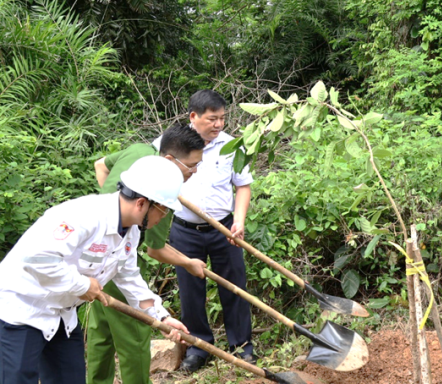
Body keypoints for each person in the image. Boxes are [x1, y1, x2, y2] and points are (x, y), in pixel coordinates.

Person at [0, 156, 190, 384]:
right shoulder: (84, 216)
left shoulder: (131, 232)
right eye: (163, 210)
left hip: (62, 314)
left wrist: (161, 317)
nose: (164, 218)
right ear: (141, 203)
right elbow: (37, 259)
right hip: (21, 310)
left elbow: (129, 278)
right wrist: (82, 285)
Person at [86, 123, 207, 384]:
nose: (195, 172)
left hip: (106, 267)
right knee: (135, 336)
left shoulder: (137, 152)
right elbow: (156, 249)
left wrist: (162, 316)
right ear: (169, 161)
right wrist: (188, 263)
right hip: (32, 311)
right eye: (192, 166)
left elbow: (100, 165)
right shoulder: (155, 196)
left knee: (102, 333)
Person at [154, 89, 254, 372]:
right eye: (212, 119)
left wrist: (239, 220)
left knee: (234, 287)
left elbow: (243, 186)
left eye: (222, 118)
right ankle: (198, 348)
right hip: (184, 229)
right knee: (190, 291)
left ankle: (242, 347)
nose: (219, 124)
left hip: (224, 228)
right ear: (193, 117)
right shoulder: (168, 143)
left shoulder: (233, 146)